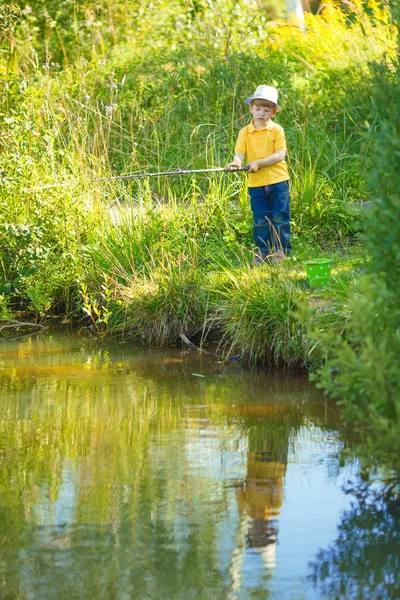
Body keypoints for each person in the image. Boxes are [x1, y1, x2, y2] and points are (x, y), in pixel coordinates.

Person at [227, 85, 291, 264]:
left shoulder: (277, 130)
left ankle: (280, 251)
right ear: (251, 109)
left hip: (278, 181)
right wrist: (237, 162)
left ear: (273, 112)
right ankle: (262, 251)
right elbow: (240, 153)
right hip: (256, 184)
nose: (261, 113)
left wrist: (258, 163)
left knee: (280, 217)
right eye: (258, 109)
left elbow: (280, 155)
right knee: (261, 220)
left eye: (266, 109)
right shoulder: (244, 132)